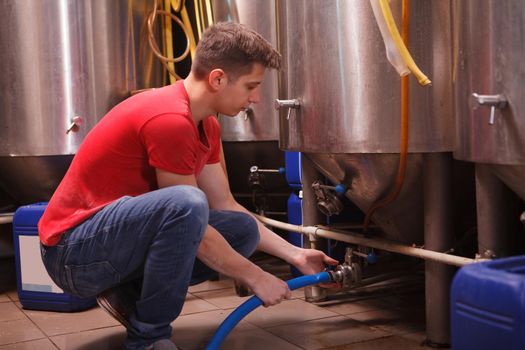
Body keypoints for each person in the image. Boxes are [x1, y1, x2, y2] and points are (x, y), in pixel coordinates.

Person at [38, 22, 337, 350]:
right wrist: (256, 276)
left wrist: (296, 255)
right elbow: (189, 215)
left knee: (241, 230)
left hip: (108, 244)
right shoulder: (169, 120)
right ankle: (148, 338)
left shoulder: (205, 123)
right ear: (218, 78)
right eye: (251, 86)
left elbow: (225, 206)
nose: (255, 98)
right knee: (188, 203)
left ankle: (130, 296)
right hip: (71, 253)